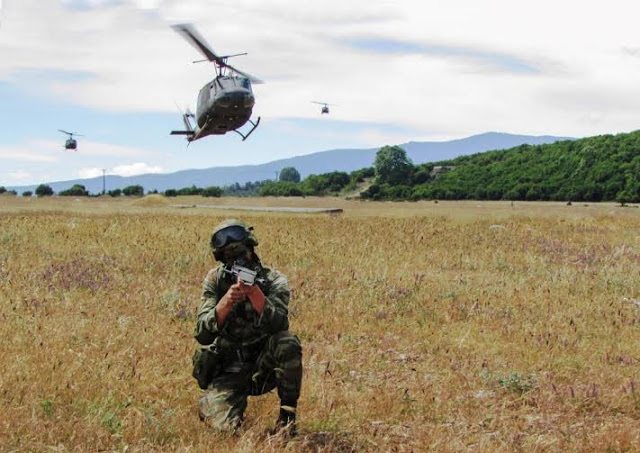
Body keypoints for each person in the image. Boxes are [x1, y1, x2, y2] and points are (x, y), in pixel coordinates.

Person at [193, 219, 302, 436]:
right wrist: (227, 301)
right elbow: (202, 334)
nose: (237, 260)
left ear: (251, 249)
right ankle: (216, 406)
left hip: (264, 368)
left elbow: (280, 324)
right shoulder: (215, 280)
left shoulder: (273, 280)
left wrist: (255, 294)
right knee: (223, 430)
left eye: (241, 253)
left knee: (287, 342)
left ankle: (287, 421)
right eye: (229, 256)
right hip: (229, 368)